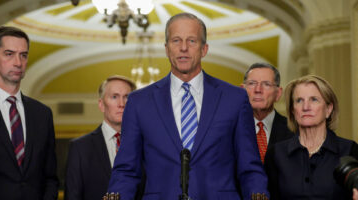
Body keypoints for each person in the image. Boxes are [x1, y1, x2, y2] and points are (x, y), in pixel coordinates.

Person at [107, 12, 269, 199]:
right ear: (167, 49)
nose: (183, 48)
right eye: (176, 41)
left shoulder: (235, 98)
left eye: (191, 41)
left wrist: (258, 194)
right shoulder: (139, 102)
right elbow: (126, 171)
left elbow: (249, 167)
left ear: (204, 49)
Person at [0, 26, 58, 199]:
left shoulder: (42, 114)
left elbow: (50, 177)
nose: (18, 62)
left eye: (23, 55)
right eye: (9, 54)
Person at [265, 75, 358, 199]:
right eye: (299, 100)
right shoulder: (276, 153)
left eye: (314, 99)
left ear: (328, 109)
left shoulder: (349, 150)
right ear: (293, 110)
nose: (305, 107)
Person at [64, 75, 141, 200]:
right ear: (101, 105)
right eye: (114, 97)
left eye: (127, 97)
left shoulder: (146, 145)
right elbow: (73, 195)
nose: (121, 104)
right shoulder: (80, 148)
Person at [241, 63, 294, 163]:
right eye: (252, 83)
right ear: (242, 91)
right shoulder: (227, 130)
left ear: (278, 94)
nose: (258, 90)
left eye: (266, 84)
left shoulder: (295, 131)